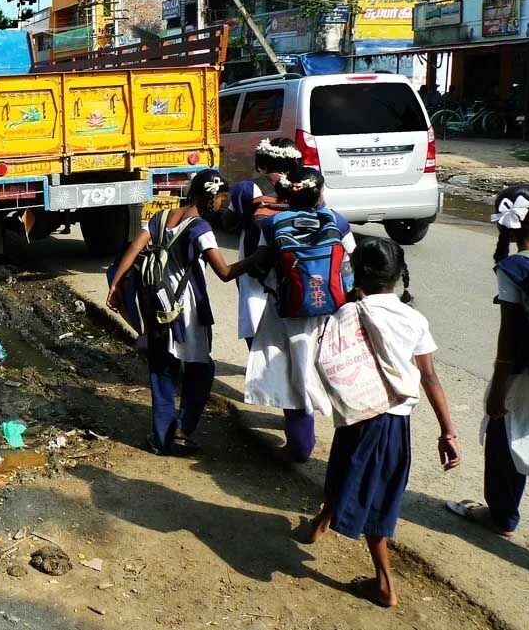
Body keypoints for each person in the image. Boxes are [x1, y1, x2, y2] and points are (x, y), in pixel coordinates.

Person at [304, 237, 461, 608]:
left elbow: (325, 362)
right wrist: (448, 431)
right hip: (395, 424)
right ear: (398, 275)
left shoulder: (347, 314)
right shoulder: (414, 319)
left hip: (360, 417)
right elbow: (430, 377)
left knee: (365, 493)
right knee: (359, 482)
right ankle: (320, 525)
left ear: (358, 274)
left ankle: (386, 585)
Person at [107, 169, 254, 455]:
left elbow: (134, 247)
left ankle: (161, 439)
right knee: (202, 369)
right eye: (222, 199)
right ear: (210, 197)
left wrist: (115, 285)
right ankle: (183, 429)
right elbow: (224, 273)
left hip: (157, 305)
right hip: (187, 310)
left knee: (162, 370)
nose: (223, 205)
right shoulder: (201, 229)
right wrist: (257, 258)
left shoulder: (161, 217)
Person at [447, 183, 529, 536]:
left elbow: (510, 336)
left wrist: (497, 391)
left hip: (528, 374)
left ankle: (502, 516)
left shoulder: (515, 267)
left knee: (504, 434)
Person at [246, 167, 356, 462]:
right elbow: (350, 270)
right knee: (337, 375)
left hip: (286, 312)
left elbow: (260, 267)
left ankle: (301, 446)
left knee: (294, 377)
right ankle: (347, 447)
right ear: (319, 193)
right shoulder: (338, 222)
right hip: (331, 313)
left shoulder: (271, 225)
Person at [229, 138, 302, 349]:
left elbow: (230, 222)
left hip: (256, 263)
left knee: (255, 313)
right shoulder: (304, 186)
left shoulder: (247, 188)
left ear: (263, 158)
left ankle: (260, 362)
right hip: (294, 263)